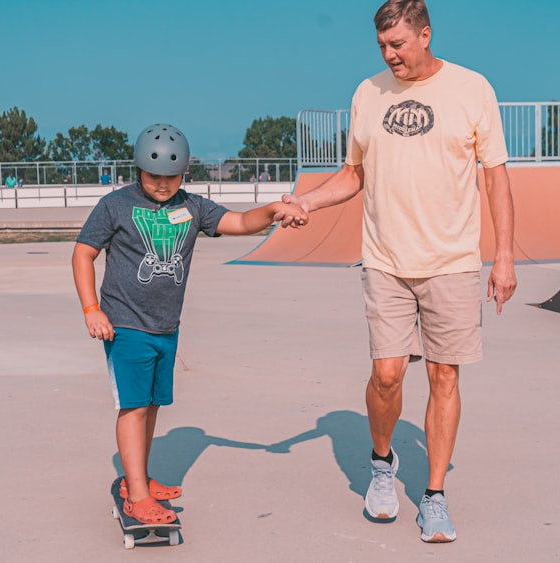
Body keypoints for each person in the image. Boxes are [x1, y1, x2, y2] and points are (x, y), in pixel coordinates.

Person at [277, 0, 516, 544]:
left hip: (453, 262)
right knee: (387, 373)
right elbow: (352, 173)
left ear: (425, 35)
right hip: (385, 259)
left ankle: (433, 496)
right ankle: (382, 464)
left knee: (444, 376)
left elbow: (497, 178)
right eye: (382, 47)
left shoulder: (472, 89)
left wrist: (503, 255)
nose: (390, 56)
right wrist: (308, 203)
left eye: (399, 45)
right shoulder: (368, 93)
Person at [71, 123, 306, 525]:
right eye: (154, 176)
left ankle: (137, 478)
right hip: (124, 324)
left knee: (152, 405)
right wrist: (91, 309)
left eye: (171, 177)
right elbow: (82, 254)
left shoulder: (193, 206)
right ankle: (138, 497)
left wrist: (273, 211)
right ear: (138, 170)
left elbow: (240, 222)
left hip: (166, 326)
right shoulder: (115, 205)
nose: (163, 185)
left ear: (184, 174)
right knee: (132, 407)